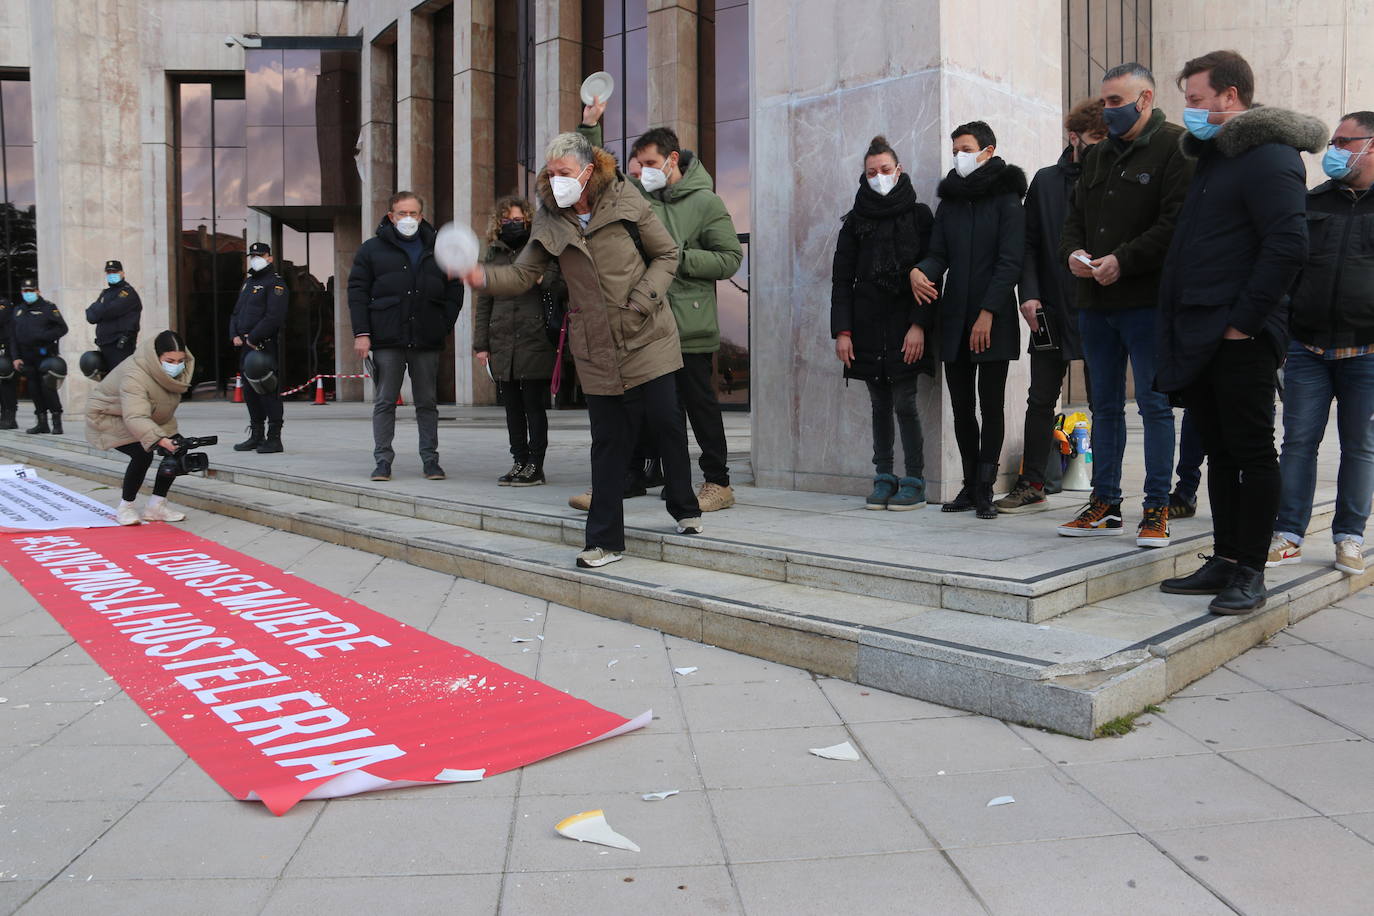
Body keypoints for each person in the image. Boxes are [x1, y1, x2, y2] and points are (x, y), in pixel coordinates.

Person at [459, 131, 701, 569]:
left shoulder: (626, 200)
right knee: (608, 441)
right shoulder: (549, 220)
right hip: (596, 344)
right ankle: (604, 540)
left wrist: (641, 301)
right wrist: (483, 278)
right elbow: (522, 275)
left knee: (666, 422)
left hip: (648, 333)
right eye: (551, 175)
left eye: (564, 173)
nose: (556, 182)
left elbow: (667, 254)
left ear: (588, 172)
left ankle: (683, 505)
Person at [1157, 50, 1326, 614]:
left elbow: (1287, 246)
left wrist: (1241, 324)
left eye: (1198, 100)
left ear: (1231, 97)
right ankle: (1225, 557)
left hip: (1239, 335)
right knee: (1220, 451)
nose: (1191, 111)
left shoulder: (1271, 157)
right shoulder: (1216, 159)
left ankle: (1251, 569)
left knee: (1252, 452)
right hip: (1201, 330)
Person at [577, 113, 745, 512]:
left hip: (689, 323)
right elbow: (601, 174)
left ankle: (718, 482)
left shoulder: (706, 202)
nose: (643, 172)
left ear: (673, 159)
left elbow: (730, 258)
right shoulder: (637, 196)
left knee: (698, 405)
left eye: (650, 164)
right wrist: (591, 127)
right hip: (645, 322)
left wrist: (676, 258)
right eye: (639, 166)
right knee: (639, 406)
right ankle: (631, 476)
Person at [1056, 63, 1193, 546]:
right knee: (1104, 406)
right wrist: (1073, 253)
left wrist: (1124, 261)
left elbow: (1175, 223)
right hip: (1095, 301)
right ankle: (1105, 501)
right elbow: (1073, 220)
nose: (1107, 111)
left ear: (1146, 98)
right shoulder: (1096, 157)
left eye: (1116, 102)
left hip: (1146, 301)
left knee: (1154, 406)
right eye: (1105, 102)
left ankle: (1156, 505)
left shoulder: (1176, 146)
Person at [1269, 111, 1374, 577]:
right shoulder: (1315, 201)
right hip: (1307, 348)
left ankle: (1349, 535)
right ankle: (1288, 532)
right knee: (1298, 444)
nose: (1332, 150)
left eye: (1343, 142)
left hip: (1367, 352)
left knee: (1360, 447)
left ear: (1370, 146)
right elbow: (1290, 267)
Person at [910, 120, 1026, 519]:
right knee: (961, 408)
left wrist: (988, 312)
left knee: (990, 405)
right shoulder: (951, 202)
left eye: (965, 147)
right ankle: (968, 485)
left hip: (993, 317)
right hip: (954, 316)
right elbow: (938, 253)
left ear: (987, 151)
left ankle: (986, 488)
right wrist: (919, 269)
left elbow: (1011, 263)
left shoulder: (1009, 199)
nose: (958, 155)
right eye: (954, 148)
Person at [995, 99, 1106, 513]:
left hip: (1100, 308)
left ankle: (1104, 490)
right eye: (1094, 141)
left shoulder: (1113, 178)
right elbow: (1028, 244)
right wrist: (1029, 295)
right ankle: (1032, 482)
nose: (1100, 148)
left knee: (1104, 401)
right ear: (1073, 138)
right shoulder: (1044, 181)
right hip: (1049, 310)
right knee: (1040, 397)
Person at [831, 134, 935, 510]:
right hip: (866, 326)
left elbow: (933, 273)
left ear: (899, 169)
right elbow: (841, 280)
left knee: (905, 402)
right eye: (871, 172)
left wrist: (919, 325)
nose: (879, 176)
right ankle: (884, 476)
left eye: (885, 170)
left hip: (907, 322)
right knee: (879, 404)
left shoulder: (920, 215)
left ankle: (915, 480)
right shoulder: (854, 222)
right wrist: (842, 332)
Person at [347, 191, 464, 482]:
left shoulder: (440, 248)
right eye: (402, 213)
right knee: (385, 401)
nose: (408, 219)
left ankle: (431, 461)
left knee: (427, 402)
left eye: (413, 214)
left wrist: (442, 324)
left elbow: (455, 290)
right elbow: (357, 293)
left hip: (426, 338)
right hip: (388, 338)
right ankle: (383, 462)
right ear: (391, 216)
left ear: (421, 216)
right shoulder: (371, 249)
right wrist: (362, 333)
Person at [473, 196, 560, 487]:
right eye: (508, 220)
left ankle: (536, 463)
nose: (513, 225)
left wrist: (537, 276)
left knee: (533, 405)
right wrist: (480, 344)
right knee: (511, 407)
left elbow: (557, 283)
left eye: (519, 220)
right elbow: (483, 302)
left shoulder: (540, 250)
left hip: (535, 337)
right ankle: (519, 460)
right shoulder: (492, 254)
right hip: (502, 340)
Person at [85, 330, 196, 526]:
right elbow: (134, 415)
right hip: (110, 416)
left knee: (178, 448)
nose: (176, 366)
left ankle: (156, 506)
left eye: (180, 361)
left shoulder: (180, 372)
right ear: (156, 356)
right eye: (169, 361)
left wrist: (168, 440)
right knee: (142, 453)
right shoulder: (135, 374)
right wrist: (160, 439)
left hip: (151, 415)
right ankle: (126, 507)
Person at [229, 242, 288, 454]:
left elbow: (274, 317)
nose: (255, 258)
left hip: (263, 346)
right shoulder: (248, 282)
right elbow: (236, 312)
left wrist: (253, 337)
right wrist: (234, 334)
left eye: (260, 254)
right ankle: (256, 435)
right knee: (250, 392)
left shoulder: (276, 284)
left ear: (270, 257)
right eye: (252, 255)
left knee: (267, 390)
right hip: (245, 347)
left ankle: (274, 438)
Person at [9, 278, 67, 435]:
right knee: (34, 390)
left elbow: (62, 328)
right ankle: (42, 422)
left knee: (47, 388)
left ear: (38, 291)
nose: (28, 294)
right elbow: (13, 336)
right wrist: (15, 357)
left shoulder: (48, 308)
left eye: (31, 291)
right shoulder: (18, 310)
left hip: (44, 355)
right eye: (25, 291)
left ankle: (56, 421)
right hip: (26, 357)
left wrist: (44, 336)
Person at [85, 258, 142, 372]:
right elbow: (91, 316)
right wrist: (101, 308)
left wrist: (99, 307)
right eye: (109, 272)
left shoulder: (127, 292)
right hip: (104, 345)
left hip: (120, 346)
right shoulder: (106, 293)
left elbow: (111, 310)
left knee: (120, 380)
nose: (112, 275)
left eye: (115, 272)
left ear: (122, 273)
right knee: (108, 384)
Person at [0, 294, 16, 430]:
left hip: (5, 348)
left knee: (6, 382)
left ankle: (10, 417)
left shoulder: (3, 304)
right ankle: (3, 415)